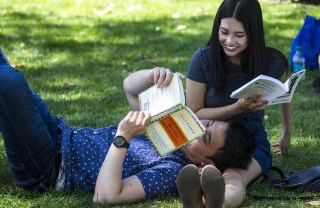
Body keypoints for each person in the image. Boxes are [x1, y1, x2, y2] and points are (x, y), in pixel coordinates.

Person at [0, 49, 256, 204]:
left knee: (8, 81)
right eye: (206, 121)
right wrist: (153, 75)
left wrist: (123, 137)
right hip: (58, 133)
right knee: (5, 68)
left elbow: (106, 196)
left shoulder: (170, 170)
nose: (199, 125)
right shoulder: (169, 128)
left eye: (206, 136)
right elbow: (130, 88)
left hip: (50, 168)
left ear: (205, 164)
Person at [183, 0, 292, 207]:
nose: (230, 41)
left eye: (239, 35)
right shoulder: (203, 60)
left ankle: (216, 203)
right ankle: (202, 190)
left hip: (250, 139)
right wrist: (237, 107)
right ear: (217, 29)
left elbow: (285, 96)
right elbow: (193, 113)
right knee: (216, 172)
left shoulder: (272, 62)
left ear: (253, 34)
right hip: (208, 139)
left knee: (236, 177)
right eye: (224, 32)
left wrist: (286, 134)